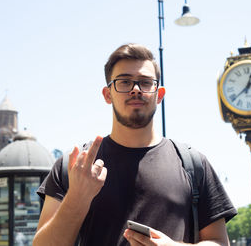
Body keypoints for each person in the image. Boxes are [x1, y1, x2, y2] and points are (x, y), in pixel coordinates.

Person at [33, 43, 237, 246]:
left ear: (160, 95)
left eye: (146, 82)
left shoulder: (193, 164)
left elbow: (219, 242)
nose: (136, 89)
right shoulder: (75, 166)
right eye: (124, 82)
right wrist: (77, 197)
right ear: (107, 94)